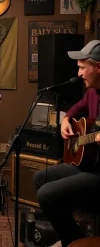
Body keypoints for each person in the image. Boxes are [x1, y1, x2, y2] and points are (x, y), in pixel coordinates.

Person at [33, 40, 100, 247]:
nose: (79, 74)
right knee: (40, 178)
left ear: (98, 67)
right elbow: (76, 108)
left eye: (82, 68)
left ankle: (75, 241)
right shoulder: (92, 92)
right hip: (89, 166)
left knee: (47, 195)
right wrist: (65, 120)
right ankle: (76, 239)